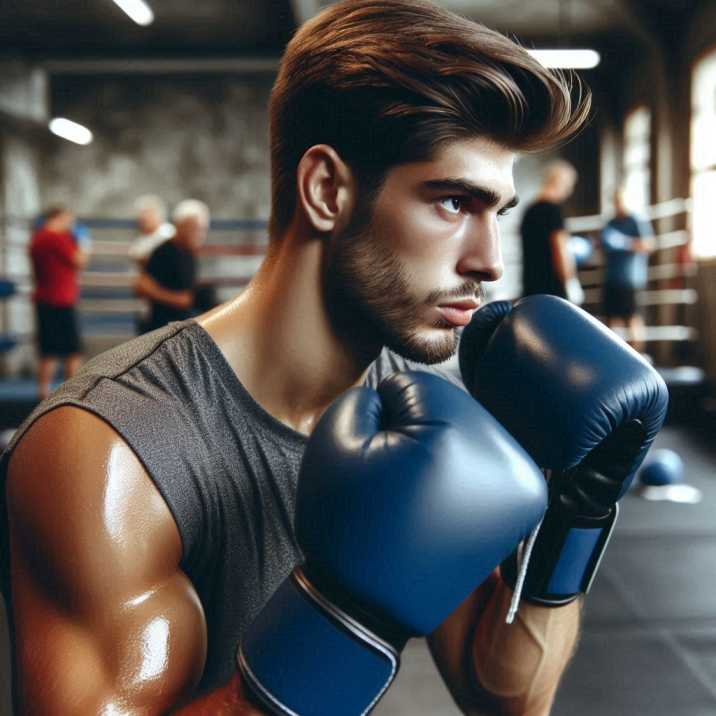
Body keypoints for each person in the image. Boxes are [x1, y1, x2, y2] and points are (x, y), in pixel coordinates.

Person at [2, 2, 596, 713]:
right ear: (327, 190)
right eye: (451, 203)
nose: (490, 262)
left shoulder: (414, 415)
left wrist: (578, 505)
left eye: (494, 212)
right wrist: (344, 613)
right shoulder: (112, 451)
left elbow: (505, 696)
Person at [27, 206, 90, 400]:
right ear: (59, 217)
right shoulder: (57, 238)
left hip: (45, 299)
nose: (70, 224)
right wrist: (84, 243)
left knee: (48, 351)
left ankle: (43, 394)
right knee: (73, 351)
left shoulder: (37, 238)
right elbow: (79, 261)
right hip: (61, 301)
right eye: (68, 219)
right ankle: (72, 396)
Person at [133, 199, 209, 332]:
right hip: (162, 326)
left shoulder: (188, 252)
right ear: (180, 226)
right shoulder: (164, 252)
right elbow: (141, 286)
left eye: (201, 229)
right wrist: (175, 298)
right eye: (193, 228)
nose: (199, 234)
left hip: (180, 324)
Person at [520, 160, 584, 304]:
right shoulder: (553, 211)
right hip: (553, 288)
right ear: (559, 183)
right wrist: (570, 281)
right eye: (569, 185)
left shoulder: (529, 210)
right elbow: (561, 249)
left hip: (531, 286)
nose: (570, 191)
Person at [601, 186, 655, 352]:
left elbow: (649, 244)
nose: (618, 205)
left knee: (632, 319)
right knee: (610, 321)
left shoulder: (636, 220)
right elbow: (603, 247)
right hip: (612, 278)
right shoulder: (611, 222)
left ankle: (638, 360)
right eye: (615, 202)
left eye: (620, 201)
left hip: (630, 279)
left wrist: (624, 242)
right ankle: (614, 358)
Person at [128, 194, 175, 266]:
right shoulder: (143, 236)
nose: (143, 219)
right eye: (141, 216)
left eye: (148, 214)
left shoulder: (168, 233)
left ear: (158, 214)